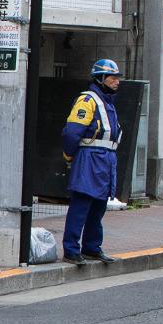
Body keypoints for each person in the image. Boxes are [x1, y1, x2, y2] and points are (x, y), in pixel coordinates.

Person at [61, 59, 124, 266]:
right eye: (113, 77)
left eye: (117, 77)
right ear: (100, 78)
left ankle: (91, 248)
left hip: (105, 160)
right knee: (81, 206)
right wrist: (69, 156)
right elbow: (72, 132)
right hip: (90, 159)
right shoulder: (87, 100)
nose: (117, 81)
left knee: (98, 208)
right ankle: (71, 250)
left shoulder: (108, 102)